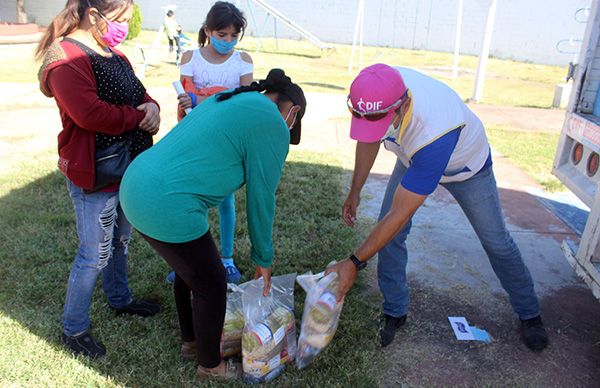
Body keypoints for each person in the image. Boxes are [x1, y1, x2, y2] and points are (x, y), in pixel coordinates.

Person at [326, 64, 549, 352]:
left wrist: (353, 262)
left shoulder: (434, 130)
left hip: (466, 169)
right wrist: (355, 191)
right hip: (413, 157)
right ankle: (395, 310)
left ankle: (530, 313)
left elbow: (399, 214)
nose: (372, 126)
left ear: (403, 105)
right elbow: (369, 138)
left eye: (380, 120)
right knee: (390, 236)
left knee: (496, 242)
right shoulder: (378, 87)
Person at [120, 69, 306, 379]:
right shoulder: (272, 121)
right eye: (291, 126)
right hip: (167, 202)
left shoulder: (230, 98)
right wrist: (263, 258)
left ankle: (191, 342)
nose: (286, 130)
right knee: (212, 282)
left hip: (136, 186)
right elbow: (262, 197)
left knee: (190, 268)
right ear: (292, 111)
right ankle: (210, 365)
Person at [36, 0, 161, 360]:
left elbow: (140, 92)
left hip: (126, 167)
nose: (124, 26)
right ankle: (73, 329)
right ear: (94, 16)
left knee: (120, 241)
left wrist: (151, 106)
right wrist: (137, 118)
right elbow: (87, 114)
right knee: (93, 253)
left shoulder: (114, 55)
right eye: (120, 18)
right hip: (96, 171)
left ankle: (119, 299)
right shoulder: (65, 58)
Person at [176, 0, 254, 283]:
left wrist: (201, 97)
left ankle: (227, 259)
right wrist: (195, 98)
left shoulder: (243, 60)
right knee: (190, 201)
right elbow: (186, 99)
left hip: (227, 142)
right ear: (208, 30)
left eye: (234, 36)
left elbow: (243, 101)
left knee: (225, 200)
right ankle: (184, 261)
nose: (228, 41)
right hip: (195, 139)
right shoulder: (189, 58)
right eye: (222, 35)